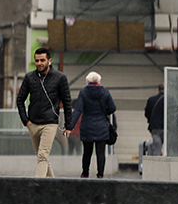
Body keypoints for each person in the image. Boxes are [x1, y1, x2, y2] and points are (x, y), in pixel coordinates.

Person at [16, 47, 72, 177]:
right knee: (43, 158)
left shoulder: (60, 78)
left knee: (42, 156)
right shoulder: (30, 77)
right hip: (33, 123)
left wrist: (69, 126)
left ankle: (38, 187)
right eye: (36, 61)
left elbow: (67, 102)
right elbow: (20, 100)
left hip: (50, 123)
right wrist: (26, 121)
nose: (39, 63)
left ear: (49, 61)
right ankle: (53, 186)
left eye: (42, 60)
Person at [71, 72, 116, 179]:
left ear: (87, 81)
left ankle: (85, 173)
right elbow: (112, 108)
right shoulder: (105, 92)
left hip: (87, 125)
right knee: (100, 152)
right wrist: (105, 112)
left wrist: (70, 125)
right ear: (99, 81)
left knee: (87, 152)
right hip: (102, 126)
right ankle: (100, 174)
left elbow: (78, 110)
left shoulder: (83, 92)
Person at [145, 84, 165, 156]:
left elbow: (147, 113)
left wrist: (151, 120)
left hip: (155, 127)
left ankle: (157, 165)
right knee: (168, 148)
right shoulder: (169, 100)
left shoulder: (151, 100)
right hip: (166, 128)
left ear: (158, 90)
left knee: (157, 147)